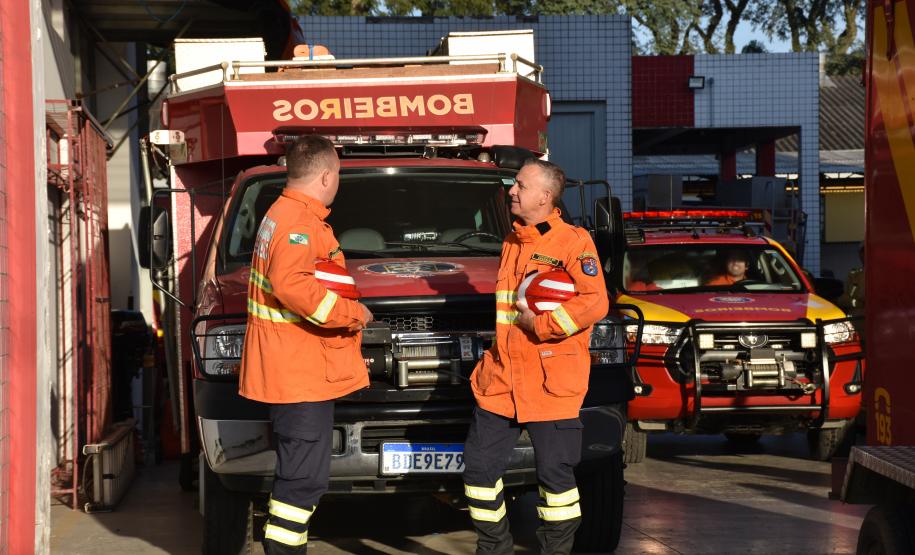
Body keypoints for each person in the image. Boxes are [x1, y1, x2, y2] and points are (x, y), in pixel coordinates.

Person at [462, 159, 609, 555]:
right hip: (501, 380)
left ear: (545, 196)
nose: (512, 191)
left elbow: (595, 302)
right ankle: (494, 549)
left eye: (521, 185)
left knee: (555, 482)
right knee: (477, 471)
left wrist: (543, 326)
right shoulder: (511, 242)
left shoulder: (574, 242)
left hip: (551, 384)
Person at [238, 135, 373, 554]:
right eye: (338, 175)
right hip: (300, 373)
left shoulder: (284, 214)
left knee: (299, 479)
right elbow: (292, 285)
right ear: (327, 174)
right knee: (302, 482)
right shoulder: (298, 223)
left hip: (296, 369)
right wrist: (354, 315)